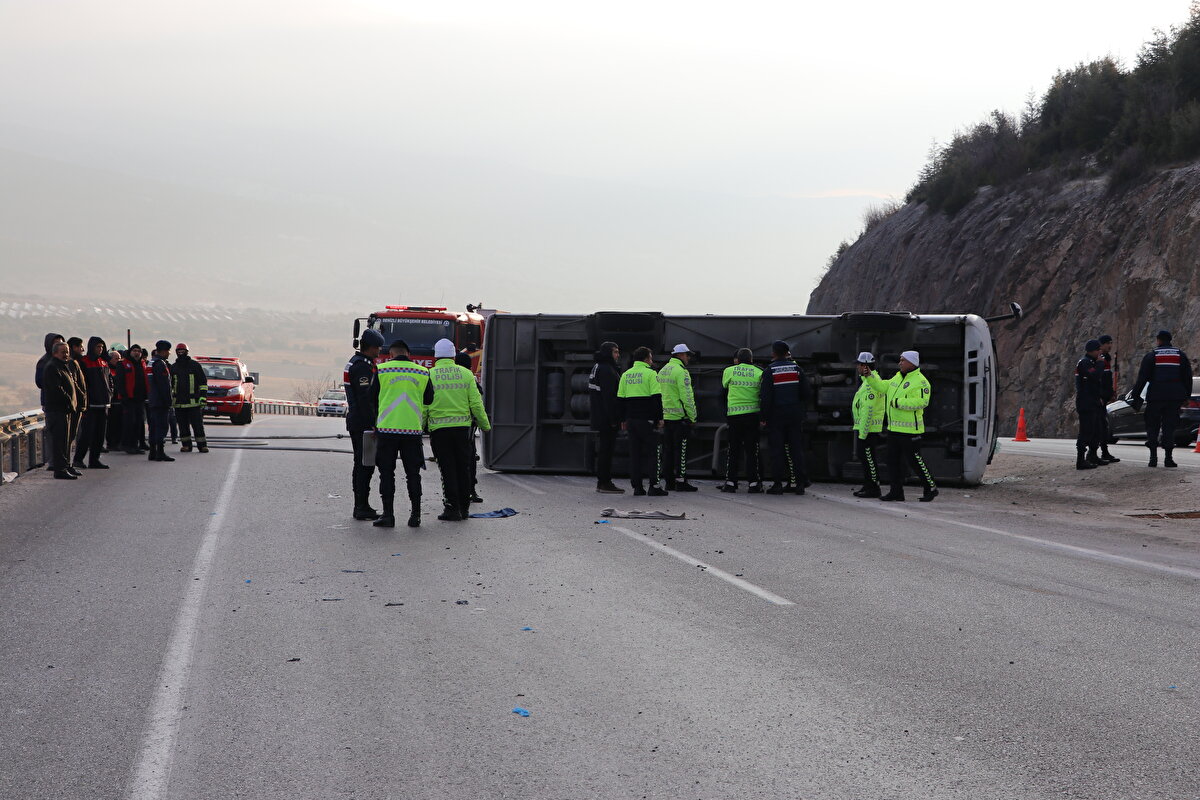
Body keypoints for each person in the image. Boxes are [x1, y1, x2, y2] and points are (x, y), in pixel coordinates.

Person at [372, 339, 435, 528]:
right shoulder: (423, 372)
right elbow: (429, 399)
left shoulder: (381, 370)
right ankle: (415, 516)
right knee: (413, 474)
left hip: (387, 430)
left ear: (391, 354)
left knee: (386, 473)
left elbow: (371, 397)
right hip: (412, 431)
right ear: (408, 354)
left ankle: (388, 515)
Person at [427, 338, 491, 521]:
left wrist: (420, 426)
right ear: (453, 357)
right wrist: (485, 425)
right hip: (462, 430)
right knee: (463, 468)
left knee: (447, 469)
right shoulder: (466, 374)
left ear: (436, 357)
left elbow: (424, 405)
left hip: (439, 431)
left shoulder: (429, 375)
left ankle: (452, 508)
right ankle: (464, 508)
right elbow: (476, 404)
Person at [864, 350, 938, 502]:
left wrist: (898, 403)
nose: (900, 363)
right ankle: (896, 492)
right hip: (894, 430)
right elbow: (882, 386)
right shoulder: (897, 377)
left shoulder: (921, 381)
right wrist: (870, 376)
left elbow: (922, 402)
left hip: (910, 431)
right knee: (892, 461)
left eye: (903, 360)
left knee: (915, 461)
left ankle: (931, 488)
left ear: (912, 363)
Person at [1130, 329, 1194, 468]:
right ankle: (1168, 459)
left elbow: (1142, 378)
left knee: (1152, 426)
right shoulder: (1180, 355)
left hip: (1155, 397)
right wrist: (1186, 396)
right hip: (1174, 398)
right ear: (1170, 340)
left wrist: (1135, 395)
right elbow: (1187, 378)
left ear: (1158, 340)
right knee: (1169, 427)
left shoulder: (1152, 355)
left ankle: (1153, 458)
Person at [760, 340, 811, 495]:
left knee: (777, 450)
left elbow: (766, 397)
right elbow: (806, 393)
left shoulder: (770, 371)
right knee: (796, 449)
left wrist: (763, 416)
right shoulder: (797, 369)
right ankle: (799, 484)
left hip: (776, 416)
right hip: (794, 414)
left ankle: (777, 484)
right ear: (787, 353)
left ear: (774, 353)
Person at [344, 328, 384, 520]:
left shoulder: (360, 362)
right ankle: (361, 506)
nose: (380, 351)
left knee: (364, 464)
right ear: (371, 347)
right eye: (378, 347)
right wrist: (373, 423)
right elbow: (365, 398)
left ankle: (362, 505)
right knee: (364, 465)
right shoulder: (361, 366)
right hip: (362, 423)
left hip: (359, 422)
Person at [618, 346, 667, 496]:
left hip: (631, 420)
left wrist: (623, 419)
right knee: (653, 453)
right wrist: (659, 418)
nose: (652, 361)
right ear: (646, 359)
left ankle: (637, 487)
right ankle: (654, 486)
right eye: (651, 358)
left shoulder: (626, 375)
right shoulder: (651, 374)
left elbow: (620, 400)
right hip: (647, 420)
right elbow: (656, 398)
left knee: (635, 454)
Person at [719, 348, 763, 493]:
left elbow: (724, 387)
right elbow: (763, 394)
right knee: (752, 451)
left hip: (734, 417)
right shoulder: (759, 372)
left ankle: (730, 482)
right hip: (752, 417)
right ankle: (753, 484)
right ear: (751, 359)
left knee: (733, 450)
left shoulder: (729, 371)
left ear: (737, 359)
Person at [658, 344, 698, 492]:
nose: (688, 358)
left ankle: (669, 482)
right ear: (680, 355)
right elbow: (687, 397)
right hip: (679, 418)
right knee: (680, 451)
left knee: (667, 451)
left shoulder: (663, 370)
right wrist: (693, 417)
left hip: (665, 417)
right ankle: (681, 481)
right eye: (687, 355)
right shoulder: (681, 372)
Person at [588, 341, 625, 494]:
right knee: (606, 450)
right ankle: (604, 482)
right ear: (608, 353)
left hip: (599, 415)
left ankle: (603, 481)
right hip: (606, 418)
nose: (617, 355)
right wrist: (614, 419)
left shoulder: (598, 366)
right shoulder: (606, 370)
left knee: (605, 449)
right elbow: (609, 398)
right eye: (615, 352)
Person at [42, 341, 82, 479]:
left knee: (65, 440)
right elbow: (56, 389)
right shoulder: (52, 367)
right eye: (63, 352)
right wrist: (69, 400)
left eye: (67, 352)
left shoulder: (64, 366)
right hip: (57, 410)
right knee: (59, 441)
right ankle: (59, 470)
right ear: (55, 353)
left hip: (65, 410)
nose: (66, 354)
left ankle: (65, 466)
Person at [74, 336, 113, 470]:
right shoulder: (83, 362)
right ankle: (78, 459)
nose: (100, 349)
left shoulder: (103, 362)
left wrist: (110, 393)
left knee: (100, 435)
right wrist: (86, 400)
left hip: (103, 404)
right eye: (98, 346)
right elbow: (80, 383)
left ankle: (94, 460)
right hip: (90, 405)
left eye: (102, 347)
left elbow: (110, 380)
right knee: (86, 434)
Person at [852, 352, 887, 497]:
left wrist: (863, 433)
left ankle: (873, 488)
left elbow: (868, 409)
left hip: (868, 429)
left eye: (859, 365)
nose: (857, 367)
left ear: (864, 366)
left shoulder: (870, 384)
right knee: (866, 459)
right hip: (867, 429)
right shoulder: (868, 381)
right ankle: (868, 485)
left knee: (869, 460)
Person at [455, 351, 485, 505]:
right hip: (467, 428)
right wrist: (484, 424)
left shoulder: (448, 378)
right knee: (469, 460)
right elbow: (478, 400)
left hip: (445, 427)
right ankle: (470, 490)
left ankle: (453, 494)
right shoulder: (469, 378)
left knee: (450, 462)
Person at [1074, 340, 1107, 470]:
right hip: (1085, 402)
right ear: (1092, 351)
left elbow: (1095, 383)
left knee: (1096, 430)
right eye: (1098, 350)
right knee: (1086, 431)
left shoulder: (1092, 362)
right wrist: (1100, 364)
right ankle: (1080, 460)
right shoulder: (1084, 362)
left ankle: (1092, 455)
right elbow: (1094, 376)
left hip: (1093, 401)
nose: (1100, 352)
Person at [35, 333, 65, 471]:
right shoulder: (44, 361)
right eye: (55, 343)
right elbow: (40, 382)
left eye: (60, 342)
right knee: (53, 433)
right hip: (51, 402)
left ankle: (62, 460)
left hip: (64, 403)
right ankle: (53, 462)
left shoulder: (64, 361)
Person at [172, 343, 209, 453]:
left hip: (194, 402)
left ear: (187, 352)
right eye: (179, 351)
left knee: (197, 425)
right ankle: (186, 445)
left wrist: (202, 397)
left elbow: (203, 383)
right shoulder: (173, 367)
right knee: (182, 426)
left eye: (182, 350)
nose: (181, 352)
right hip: (179, 403)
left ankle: (202, 445)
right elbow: (171, 384)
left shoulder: (195, 365)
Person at [116, 344, 149, 454]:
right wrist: (124, 396)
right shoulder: (123, 364)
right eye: (134, 351)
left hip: (140, 398)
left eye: (139, 351)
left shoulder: (142, 364)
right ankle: (127, 444)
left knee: (139, 422)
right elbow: (120, 381)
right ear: (130, 352)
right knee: (129, 422)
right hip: (128, 398)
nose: (137, 353)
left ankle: (136, 444)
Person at [146, 340, 175, 462]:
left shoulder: (151, 362)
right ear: (163, 351)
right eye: (168, 351)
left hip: (152, 399)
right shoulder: (160, 364)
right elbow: (164, 385)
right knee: (161, 427)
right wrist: (168, 401)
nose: (169, 353)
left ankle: (153, 452)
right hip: (160, 401)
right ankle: (160, 452)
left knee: (153, 427)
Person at [1096, 334, 1120, 463]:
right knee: (1099, 425)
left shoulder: (1106, 358)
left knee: (1103, 425)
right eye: (1108, 343)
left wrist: (1111, 393)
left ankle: (1104, 452)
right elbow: (1097, 380)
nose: (1110, 345)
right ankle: (1094, 453)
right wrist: (1099, 395)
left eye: (1111, 343)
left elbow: (1107, 380)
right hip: (1098, 397)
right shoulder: (1099, 358)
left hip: (1104, 396)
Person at [66, 337, 88, 469]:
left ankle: (68, 465)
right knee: (69, 437)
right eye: (80, 347)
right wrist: (82, 395)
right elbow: (74, 384)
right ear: (74, 347)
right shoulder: (70, 363)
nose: (82, 350)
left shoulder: (76, 362)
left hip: (78, 404)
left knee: (72, 436)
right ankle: (66, 465)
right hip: (74, 405)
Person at [106, 347, 125, 452]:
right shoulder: (108, 369)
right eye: (116, 358)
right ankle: (111, 443)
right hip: (112, 401)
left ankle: (119, 442)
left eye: (119, 358)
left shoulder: (120, 369)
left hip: (120, 400)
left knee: (120, 423)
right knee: (112, 424)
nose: (118, 360)